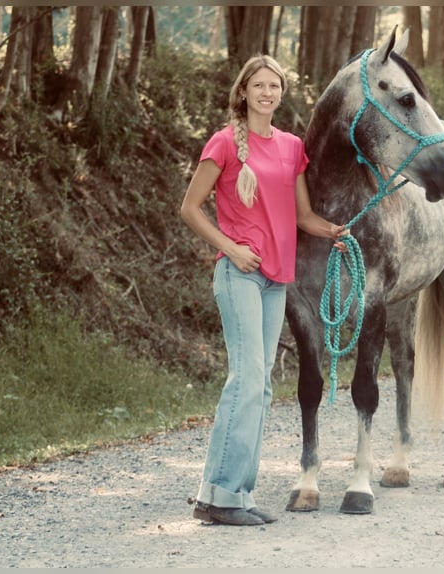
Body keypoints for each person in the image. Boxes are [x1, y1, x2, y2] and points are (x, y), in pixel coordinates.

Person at [180, 54, 347, 527]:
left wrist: (335, 230)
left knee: (262, 385)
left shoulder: (292, 147)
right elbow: (190, 209)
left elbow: (302, 217)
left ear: (281, 93)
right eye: (259, 85)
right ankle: (220, 496)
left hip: (277, 279)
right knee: (248, 379)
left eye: (275, 85)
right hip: (240, 275)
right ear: (244, 92)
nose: (267, 92)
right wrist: (230, 249)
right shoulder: (224, 144)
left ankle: (236, 494)